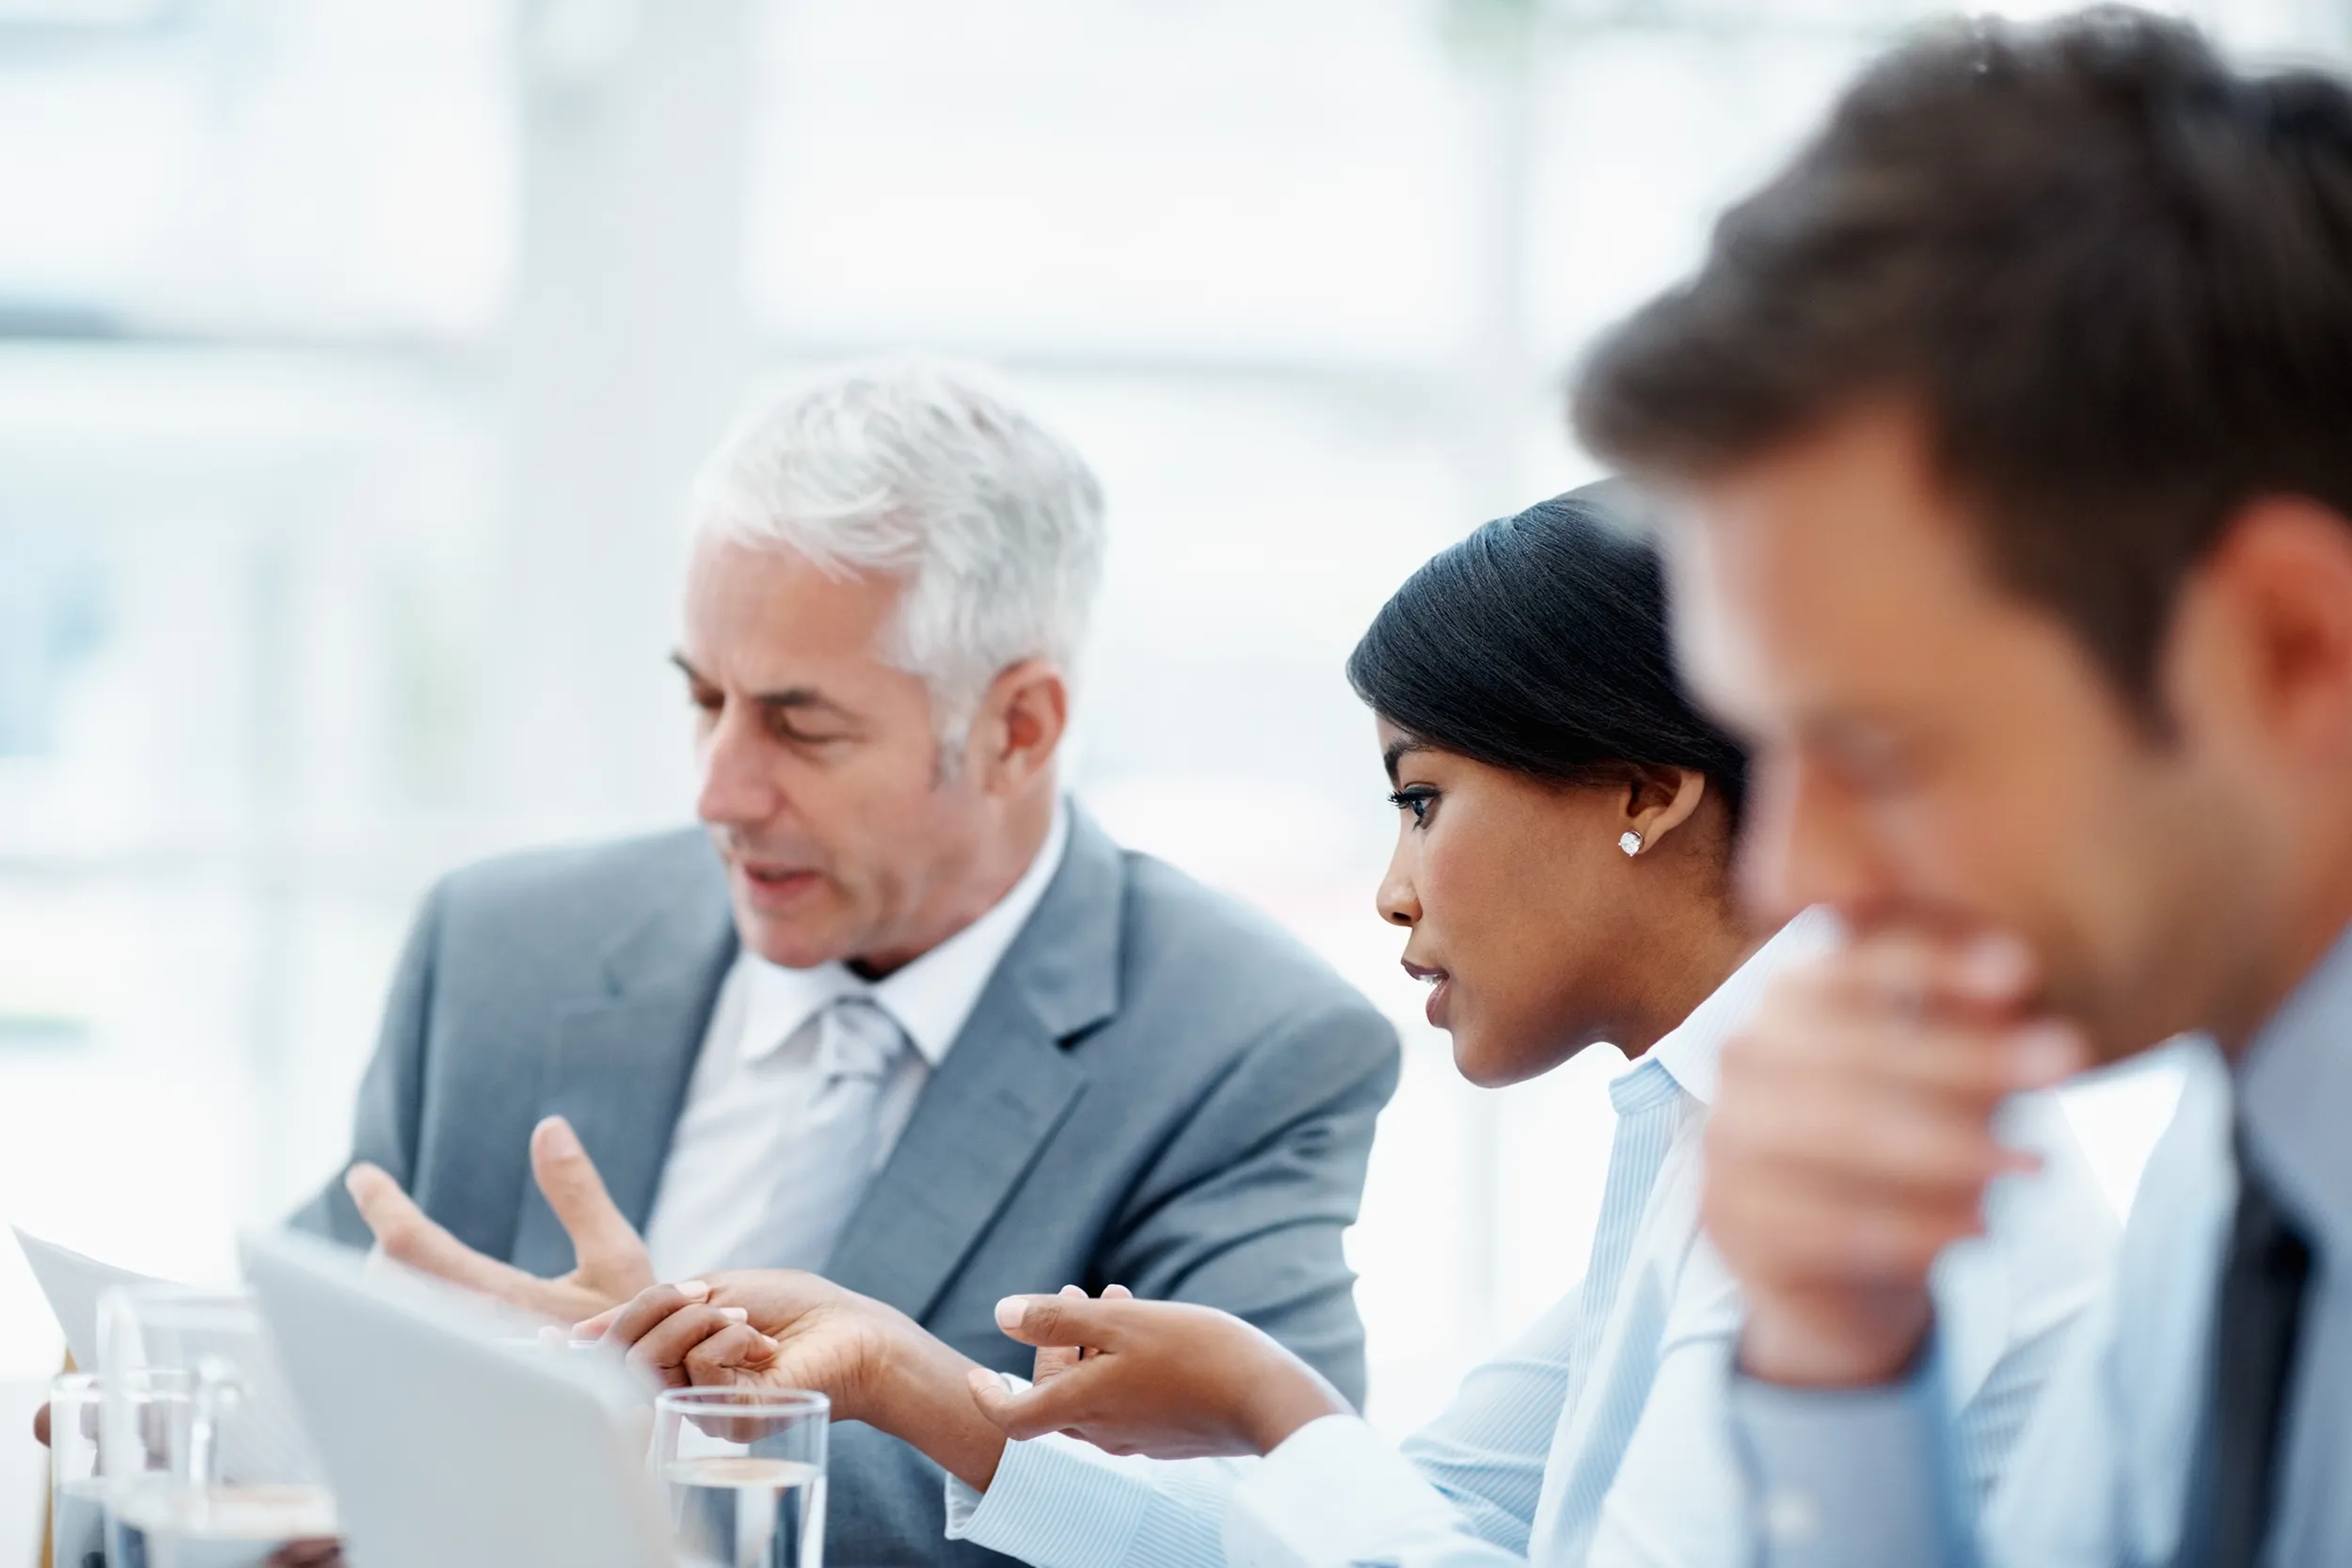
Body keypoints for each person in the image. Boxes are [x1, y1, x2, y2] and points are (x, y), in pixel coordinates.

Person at [587, 486, 2115, 1568]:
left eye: (1424, 799)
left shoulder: (1869, 1157)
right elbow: (1397, 1521)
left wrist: (1270, 1400)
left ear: (1648, 788)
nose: (1394, 890)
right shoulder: (1717, 1128)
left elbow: (1361, 1516)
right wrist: (911, 1384)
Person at [281, 358, 1402, 1568]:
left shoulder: (1247, 1049)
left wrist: (642, 1428)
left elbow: (1266, 1526)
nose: (719, 789)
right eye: (704, 698)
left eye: (800, 725)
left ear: (1018, 727)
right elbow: (310, 1340)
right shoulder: (500, 946)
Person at [1566, 7, 2352, 1565]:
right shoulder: (2237, 1164)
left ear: (2290, 645)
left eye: (1882, 750)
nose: (1790, 871)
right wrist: (1837, 1366)